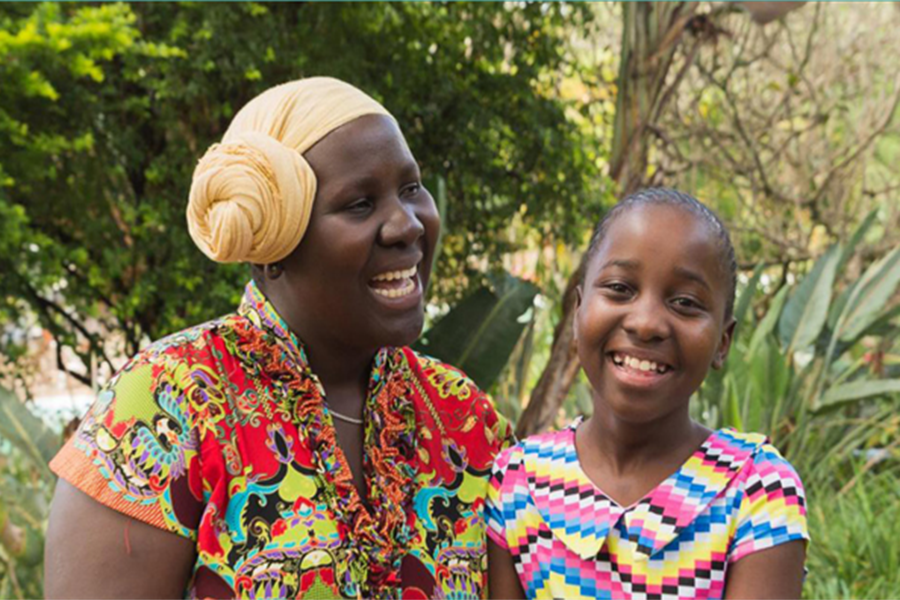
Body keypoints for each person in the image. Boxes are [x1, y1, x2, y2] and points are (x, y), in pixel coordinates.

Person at [45, 77, 512, 600]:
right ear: (274, 245)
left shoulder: (463, 418)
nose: (407, 225)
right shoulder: (168, 404)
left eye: (410, 189)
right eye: (360, 204)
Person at [486, 188, 809, 600]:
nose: (646, 323)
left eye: (685, 302)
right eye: (620, 288)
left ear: (723, 342)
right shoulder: (517, 483)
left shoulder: (755, 490)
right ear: (578, 312)